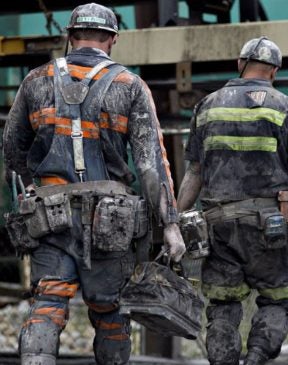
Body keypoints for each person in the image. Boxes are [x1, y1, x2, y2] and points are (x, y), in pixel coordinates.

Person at [3, 3, 185, 364]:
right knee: (110, 312)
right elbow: (152, 166)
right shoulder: (130, 85)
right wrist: (170, 225)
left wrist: (39, 185)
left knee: (48, 302)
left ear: (69, 36)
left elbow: (11, 149)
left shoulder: (35, 81)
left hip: (49, 216)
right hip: (110, 220)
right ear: (113, 40)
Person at [177, 37, 288, 365]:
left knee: (222, 307)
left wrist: (175, 221)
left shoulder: (207, 107)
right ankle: (256, 358)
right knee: (278, 301)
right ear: (274, 71)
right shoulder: (286, 107)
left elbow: (194, 172)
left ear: (240, 63)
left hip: (217, 225)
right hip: (269, 227)